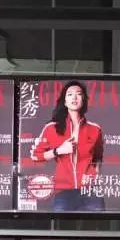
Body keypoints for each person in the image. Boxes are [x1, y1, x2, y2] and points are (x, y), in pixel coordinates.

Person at [31, 81, 104, 212]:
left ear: (83, 100)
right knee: (61, 224)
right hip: (63, 191)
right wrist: (59, 150)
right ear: (65, 102)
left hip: (90, 190)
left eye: (78, 94)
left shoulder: (95, 129)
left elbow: (98, 156)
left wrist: (95, 173)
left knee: (96, 225)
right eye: (70, 94)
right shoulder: (52, 128)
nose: (74, 97)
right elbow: (36, 156)